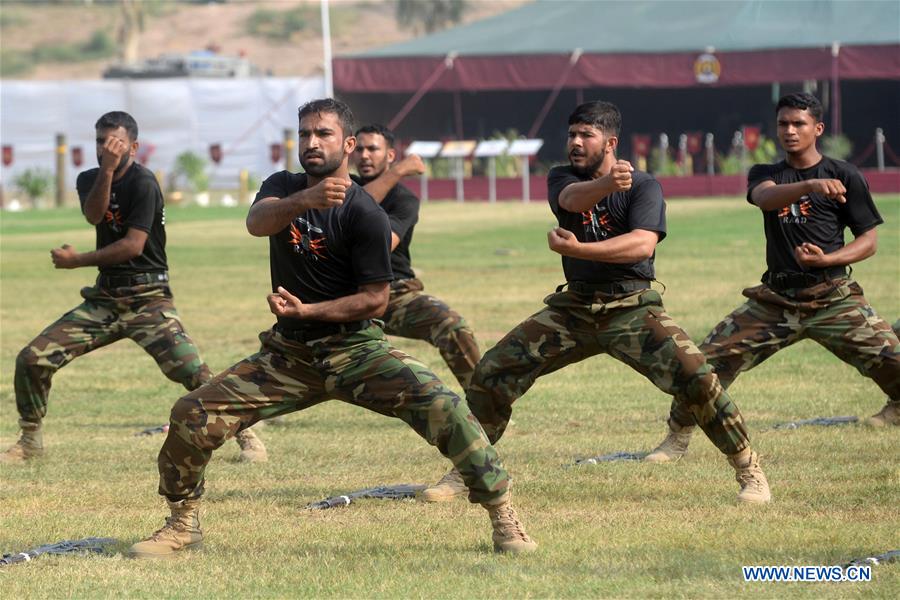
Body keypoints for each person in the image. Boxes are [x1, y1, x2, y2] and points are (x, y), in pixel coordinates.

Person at [128, 99, 536, 559]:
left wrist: (310, 312)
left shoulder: (365, 212)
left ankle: (503, 515)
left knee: (446, 408)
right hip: (289, 356)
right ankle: (183, 524)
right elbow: (256, 223)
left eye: (322, 134)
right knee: (191, 413)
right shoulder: (282, 186)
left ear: (345, 144)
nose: (311, 142)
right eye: (304, 134)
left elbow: (376, 300)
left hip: (358, 351)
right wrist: (306, 199)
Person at [422, 101, 771, 504]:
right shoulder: (562, 177)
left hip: (632, 307)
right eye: (571, 134)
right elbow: (572, 201)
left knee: (697, 375)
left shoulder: (644, 186)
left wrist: (581, 250)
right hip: (574, 310)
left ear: (610, 142)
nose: (574, 142)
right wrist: (607, 186)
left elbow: (642, 244)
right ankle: (468, 471)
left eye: (585, 135)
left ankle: (749, 471)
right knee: (493, 372)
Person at [0, 111, 266, 465]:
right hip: (105, 298)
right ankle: (30, 441)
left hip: (148, 299)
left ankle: (248, 436)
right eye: (100, 141)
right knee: (32, 359)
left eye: (115, 142)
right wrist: (107, 171)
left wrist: (76, 260)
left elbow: (132, 246)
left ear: (134, 147)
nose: (105, 149)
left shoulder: (144, 183)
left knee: (193, 372)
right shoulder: (90, 179)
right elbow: (95, 215)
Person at [646, 92, 899, 462]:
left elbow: (869, 241)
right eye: (784, 124)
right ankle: (677, 438)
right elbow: (767, 199)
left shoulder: (845, 175)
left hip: (833, 297)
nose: (790, 131)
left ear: (818, 128)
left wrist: (828, 258)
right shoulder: (766, 174)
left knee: (891, 357)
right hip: (775, 301)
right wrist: (811, 185)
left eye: (799, 124)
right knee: (703, 366)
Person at [352, 124, 481, 392]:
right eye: (360, 148)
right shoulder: (345, 187)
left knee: (451, 325)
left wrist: (396, 176)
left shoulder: (404, 199)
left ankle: (486, 405)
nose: (364, 155)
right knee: (292, 333)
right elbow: (347, 209)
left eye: (373, 149)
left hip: (392, 293)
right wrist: (399, 170)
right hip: (344, 294)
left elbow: (379, 245)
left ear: (389, 155)